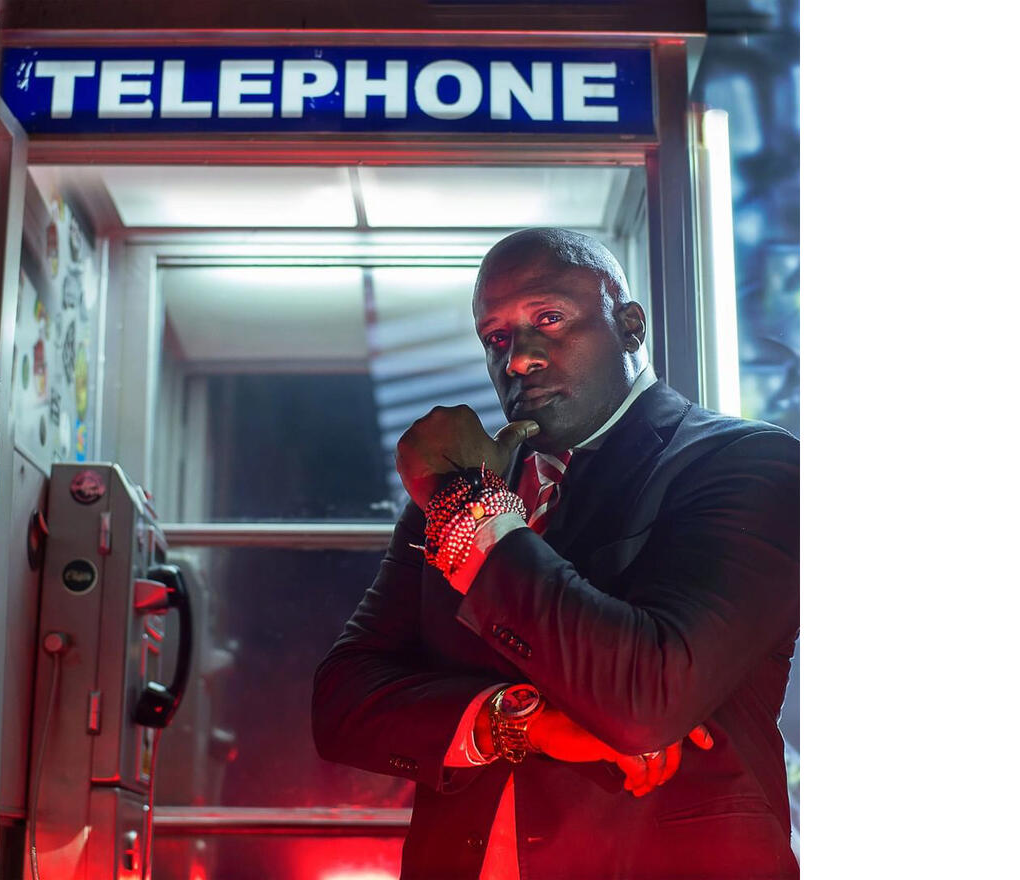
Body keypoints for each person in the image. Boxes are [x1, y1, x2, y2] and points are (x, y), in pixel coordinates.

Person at [312, 228, 799, 879]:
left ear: (630, 325)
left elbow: (646, 696)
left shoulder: (750, 463)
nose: (516, 358)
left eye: (548, 317)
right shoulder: (463, 490)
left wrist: (467, 513)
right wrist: (521, 722)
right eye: (496, 337)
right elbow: (343, 703)